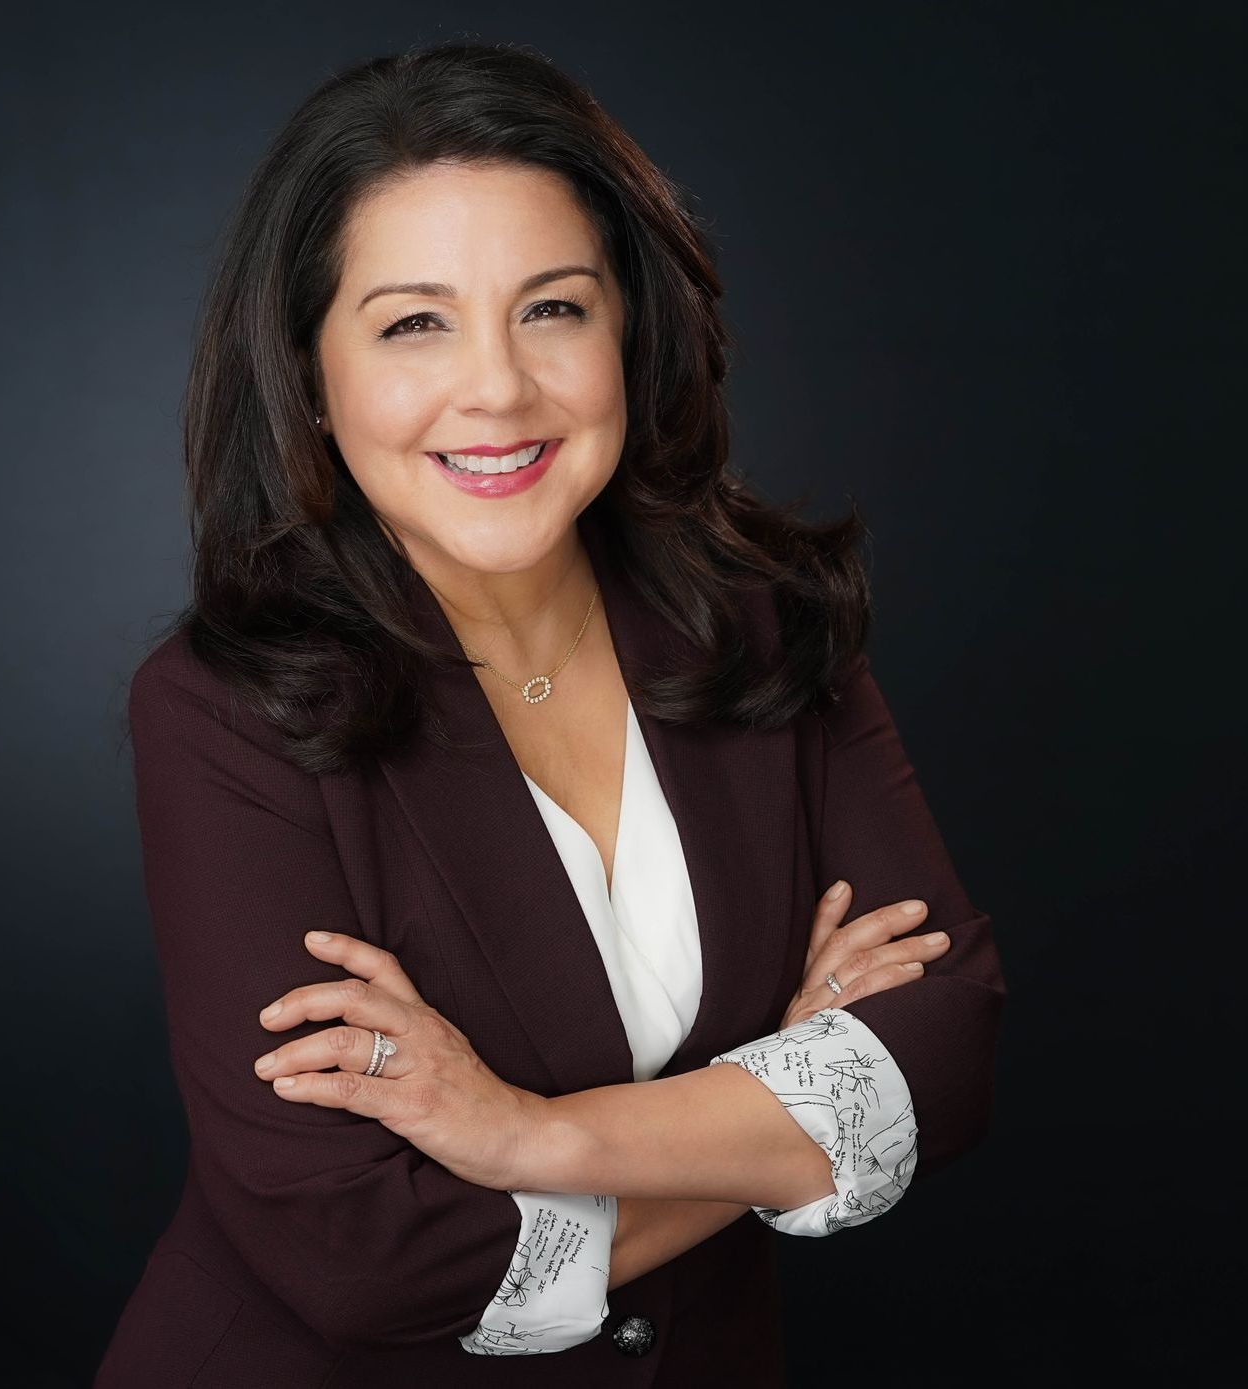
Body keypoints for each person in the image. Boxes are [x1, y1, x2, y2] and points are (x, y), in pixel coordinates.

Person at [95, 40, 1006, 1388]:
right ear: (309, 366)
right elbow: (360, 1253)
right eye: (414, 322)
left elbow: (946, 1045)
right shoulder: (225, 712)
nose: (499, 391)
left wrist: (533, 1138)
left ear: (629, 327)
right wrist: (779, 1107)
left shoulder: (759, 622)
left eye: (553, 308)